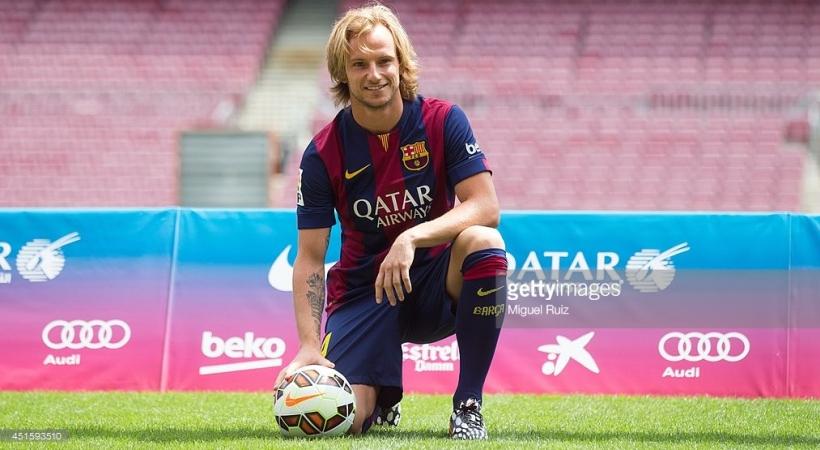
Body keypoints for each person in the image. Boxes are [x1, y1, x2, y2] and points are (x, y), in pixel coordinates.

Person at [274, 3, 507, 440]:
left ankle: (468, 405)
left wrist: (411, 237)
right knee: (346, 422)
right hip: (365, 293)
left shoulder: (443, 120)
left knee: (484, 241)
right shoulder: (323, 153)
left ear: (401, 63)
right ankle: (381, 398)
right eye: (359, 64)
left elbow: (485, 205)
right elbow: (310, 257)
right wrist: (308, 344)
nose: (374, 74)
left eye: (384, 61)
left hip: (436, 284)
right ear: (342, 73)